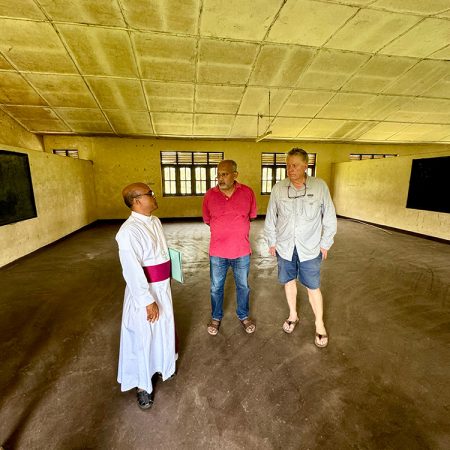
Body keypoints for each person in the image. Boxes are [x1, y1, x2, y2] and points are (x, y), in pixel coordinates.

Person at [264, 148, 337, 348]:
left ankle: (319, 324)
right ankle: (293, 315)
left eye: (295, 165)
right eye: (288, 165)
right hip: (286, 246)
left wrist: (325, 243)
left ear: (306, 166)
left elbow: (329, 217)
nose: (290, 169)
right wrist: (271, 242)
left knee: (313, 287)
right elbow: (271, 217)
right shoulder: (279, 188)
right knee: (288, 281)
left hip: (310, 247)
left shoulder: (319, 186)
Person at [115, 182, 176, 410]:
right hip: (146, 292)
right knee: (143, 336)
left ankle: (160, 365)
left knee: (161, 330)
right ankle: (142, 386)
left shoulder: (155, 221)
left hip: (161, 287)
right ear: (137, 201)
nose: (154, 196)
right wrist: (147, 301)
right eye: (150, 194)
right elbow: (131, 269)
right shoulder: (128, 232)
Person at [202, 160, 257, 336]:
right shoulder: (210, 195)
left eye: (224, 174)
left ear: (235, 174)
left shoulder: (247, 193)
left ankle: (243, 315)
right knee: (216, 287)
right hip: (217, 252)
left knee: (243, 286)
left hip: (241, 251)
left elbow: (252, 215)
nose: (220, 178)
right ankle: (216, 317)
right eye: (218, 174)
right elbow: (207, 219)